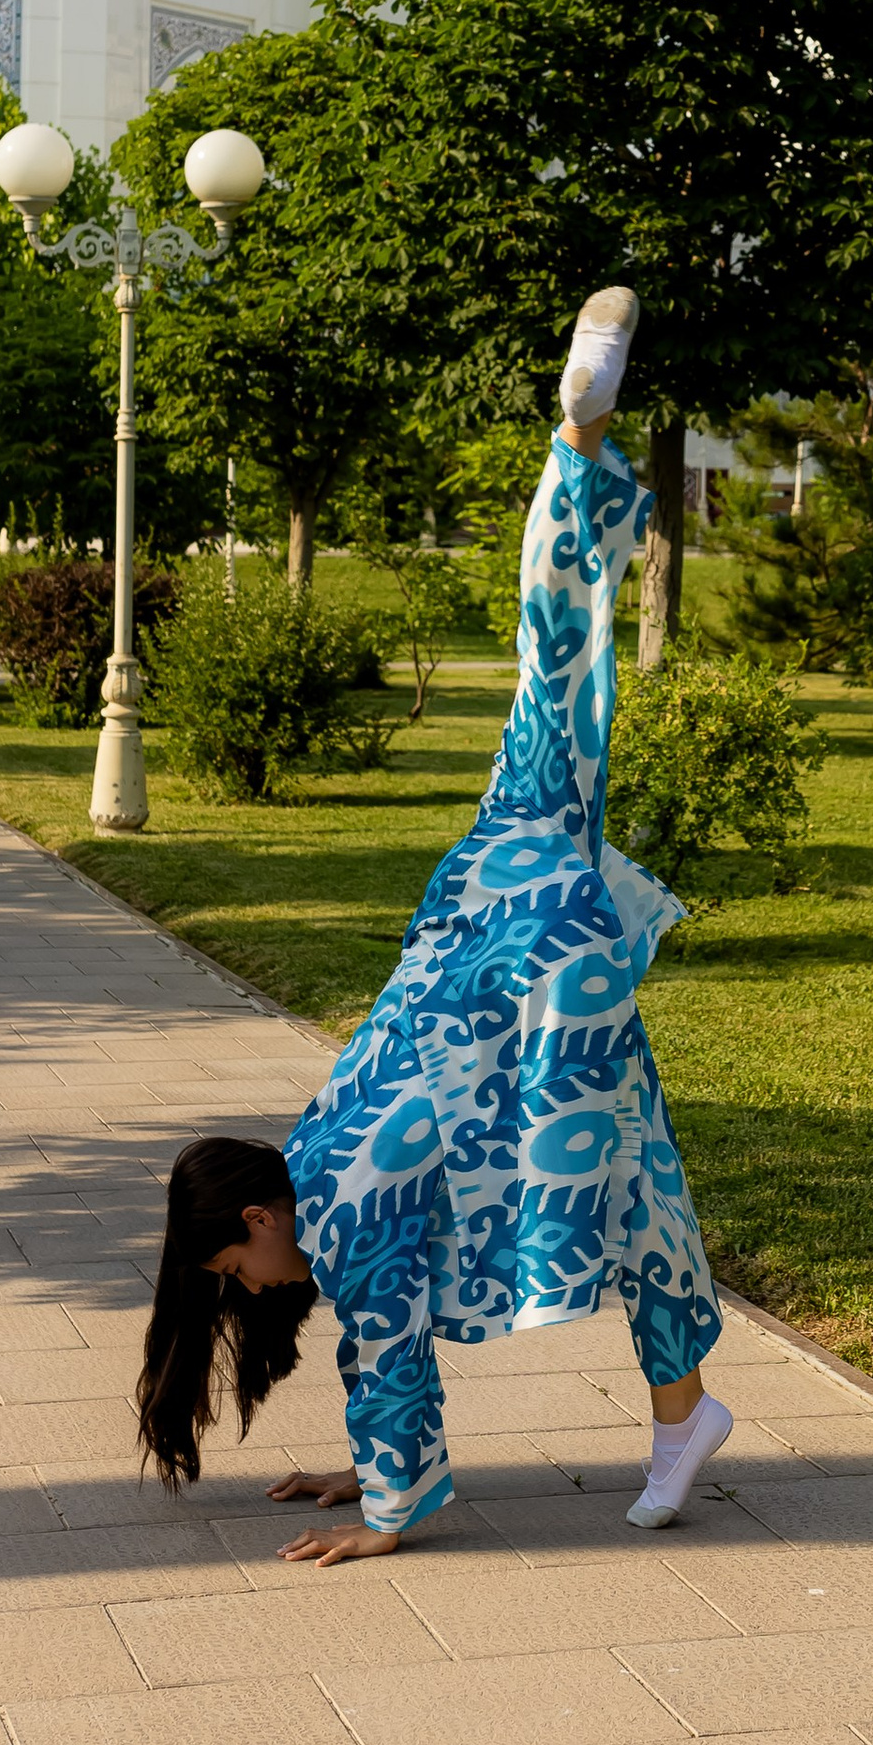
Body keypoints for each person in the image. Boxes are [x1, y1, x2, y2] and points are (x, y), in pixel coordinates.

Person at [136, 287, 733, 1564]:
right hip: (490, 906)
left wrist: (390, 1513)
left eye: (236, 1279)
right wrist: (360, 1470)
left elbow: (392, 1362)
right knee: (548, 680)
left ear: (253, 1227)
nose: (253, 1294)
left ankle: (687, 1416)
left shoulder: (338, 1215)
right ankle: (572, 459)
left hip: (532, 978)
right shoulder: (319, 1143)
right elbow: (377, 1360)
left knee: (641, 1182)